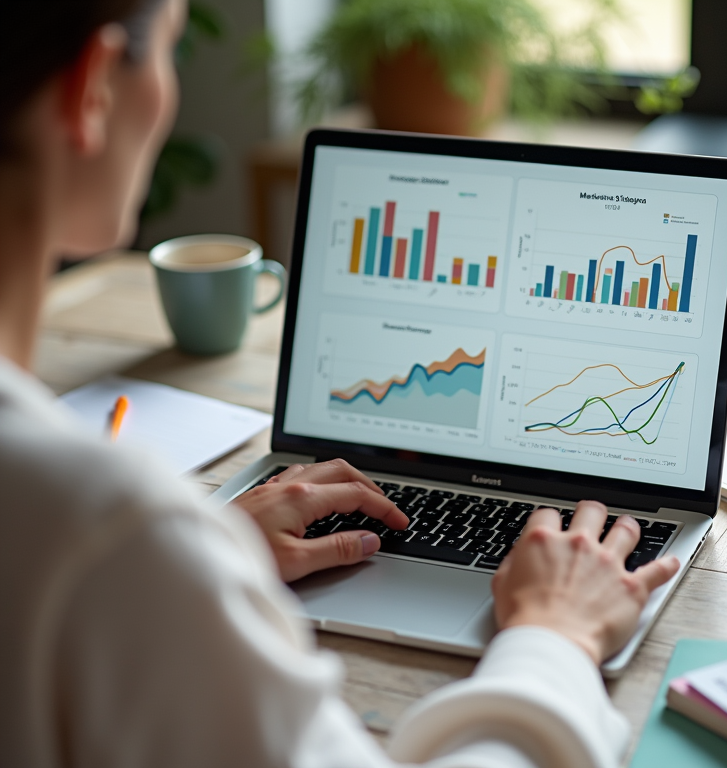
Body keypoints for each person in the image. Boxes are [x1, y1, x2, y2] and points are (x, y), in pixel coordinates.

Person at [0, 1, 681, 766]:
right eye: (169, 48)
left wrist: (206, 551)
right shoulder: (105, 531)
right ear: (91, 87)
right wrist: (555, 638)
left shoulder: (111, 541)